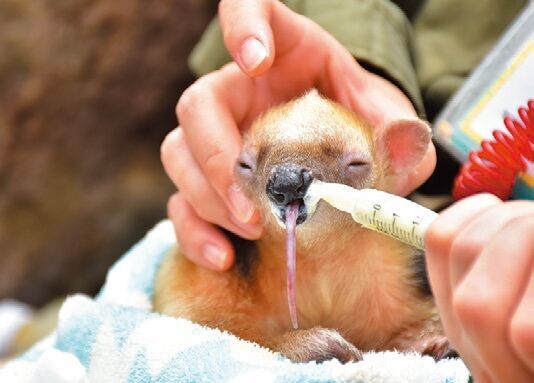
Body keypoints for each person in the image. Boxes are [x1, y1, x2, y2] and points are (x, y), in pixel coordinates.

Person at [160, 1, 534, 382]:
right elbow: (186, 318)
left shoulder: (413, 274)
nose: (288, 185)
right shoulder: (228, 263)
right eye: (248, 167)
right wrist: (356, 65)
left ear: (397, 152)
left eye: (355, 167)